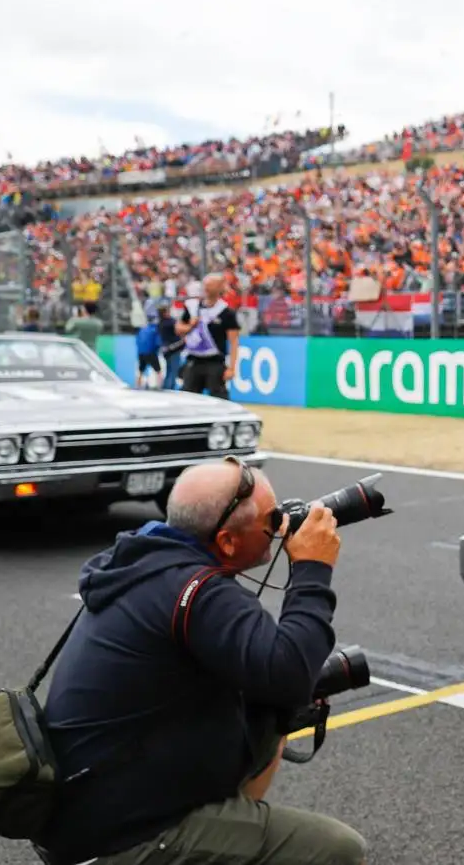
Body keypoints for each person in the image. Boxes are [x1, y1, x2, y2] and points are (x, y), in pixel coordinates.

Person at [33, 460, 367, 865]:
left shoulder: (146, 563)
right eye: (272, 519)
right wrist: (312, 569)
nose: (282, 526)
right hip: (117, 837)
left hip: (82, 810)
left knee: (267, 713)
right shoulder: (201, 593)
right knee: (337, 850)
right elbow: (290, 674)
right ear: (226, 542)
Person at [176, 273, 240, 398]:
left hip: (215, 362)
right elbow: (178, 328)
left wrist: (231, 368)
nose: (206, 288)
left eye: (210, 285)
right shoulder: (193, 307)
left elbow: (234, 342)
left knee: (219, 398)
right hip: (193, 360)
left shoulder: (226, 312)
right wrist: (190, 325)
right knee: (187, 398)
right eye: (205, 285)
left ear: (220, 288)